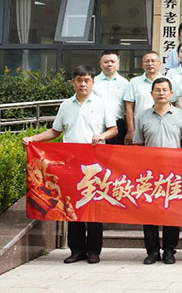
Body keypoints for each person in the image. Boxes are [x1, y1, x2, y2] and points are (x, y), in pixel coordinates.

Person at [23, 65, 117, 264]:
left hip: (94, 163)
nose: (83, 84)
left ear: (93, 82)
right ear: (73, 82)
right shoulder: (66, 105)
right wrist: (33, 139)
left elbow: (113, 129)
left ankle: (94, 251)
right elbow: (55, 131)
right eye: (79, 80)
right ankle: (77, 250)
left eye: (87, 80)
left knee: (94, 207)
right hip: (71, 163)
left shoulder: (102, 104)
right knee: (72, 205)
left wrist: (102, 136)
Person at [133, 77, 182, 265]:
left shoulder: (181, 116)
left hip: (173, 172)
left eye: (165, 90)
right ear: (151, 94)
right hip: (150, 174)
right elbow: (138, 144)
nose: (161, 93)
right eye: (157, 90)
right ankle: (152, 251)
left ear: (171, 93)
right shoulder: (142, 116)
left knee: (172, 212)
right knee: (149, 212)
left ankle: (170, 250)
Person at [124, 51, 162, 145]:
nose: (150, 64)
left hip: (161, 127)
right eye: (147, 61)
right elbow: (129, 107)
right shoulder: (134, 82)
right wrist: (131, 130)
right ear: (142, 64)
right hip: (139, 128)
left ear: (159, 63)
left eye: (153, 61)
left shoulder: (167, 82)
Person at [93, 50, 130, 145]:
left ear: (118, 63)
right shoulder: (93, 82)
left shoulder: (125, 83)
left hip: (118, 124)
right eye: (106, 62)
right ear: (100, 64)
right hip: (98, 124)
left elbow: (128, 107)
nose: (109, 64)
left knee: (117, 153)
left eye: (113, 61)